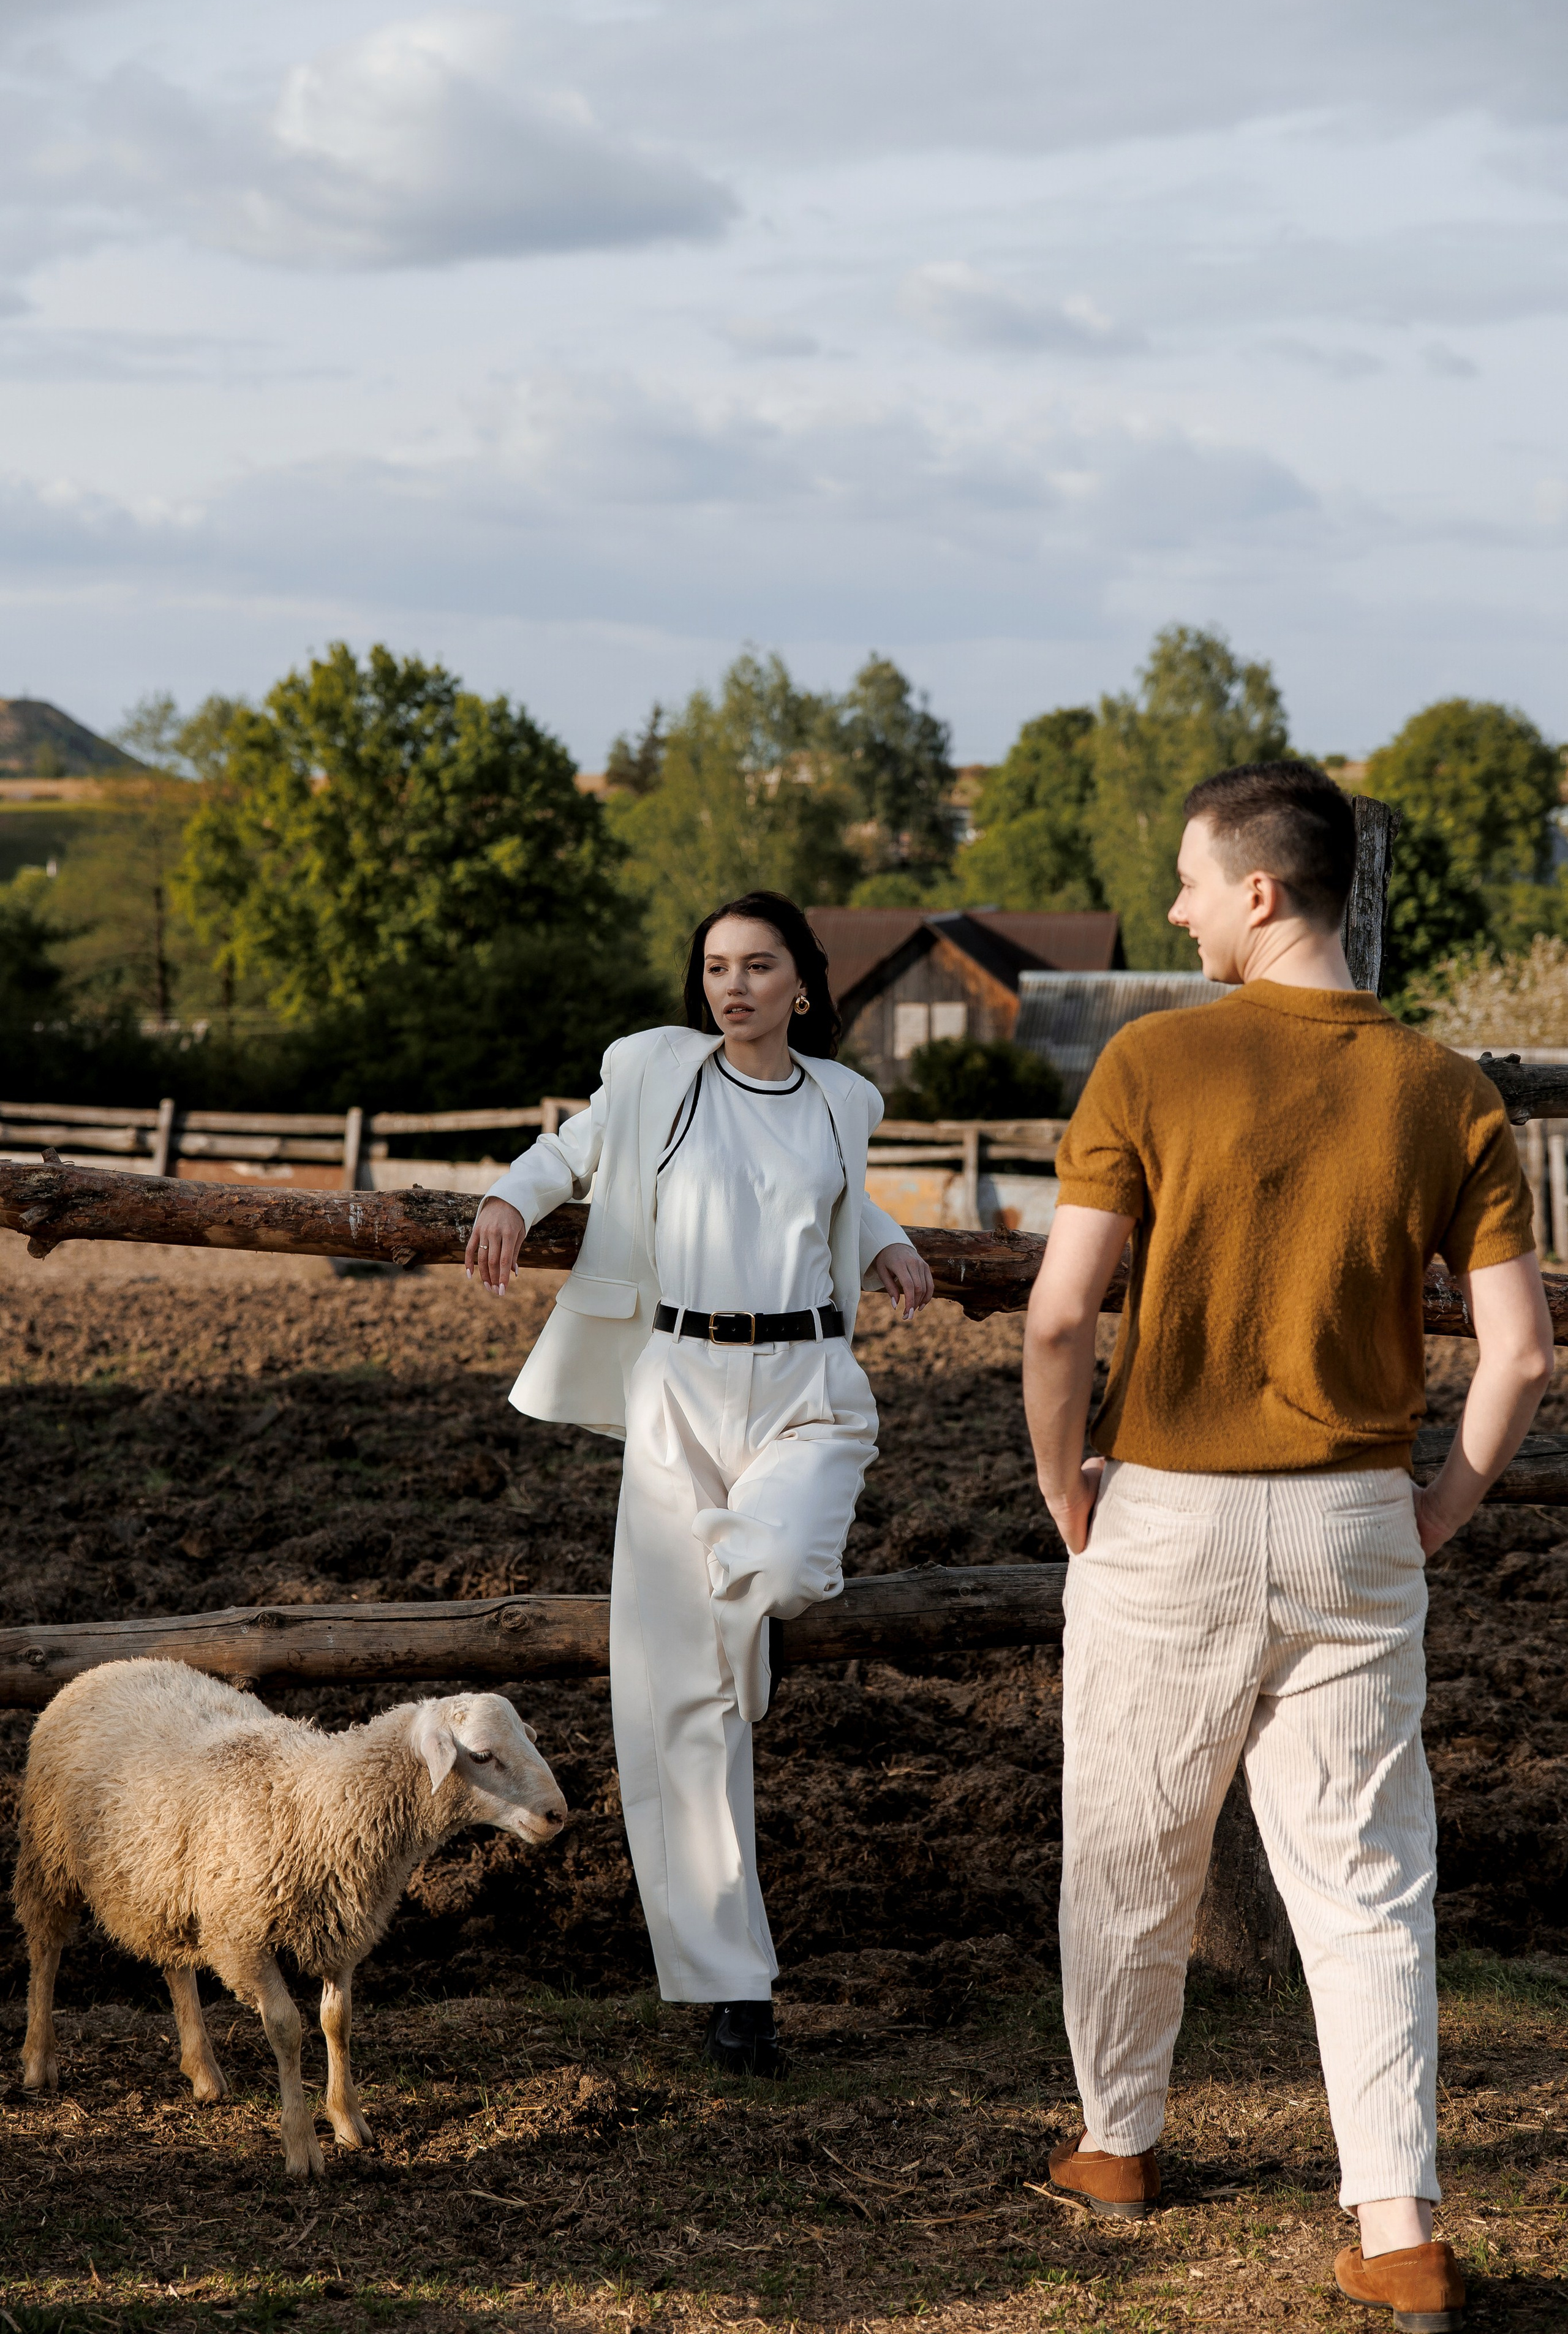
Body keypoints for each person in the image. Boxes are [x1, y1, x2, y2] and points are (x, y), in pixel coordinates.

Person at [1023, 763, 1551, 2332]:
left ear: (1262, 891)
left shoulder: (1151, 1062)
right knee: (1369, 1879)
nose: (1176, 905)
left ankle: (1116, 2148)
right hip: (1351, 1522)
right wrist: (1442, 1506)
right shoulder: (1447, 1089)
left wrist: (1065, 1492)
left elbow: (1059, 1316)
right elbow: (1519, 1355)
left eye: (1188, 879)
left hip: (1165, 1511)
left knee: (1129, 1842)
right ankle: (1397, 2228)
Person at [465, 890, 933, 2076]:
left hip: (806, 1383)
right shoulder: (659, 1078)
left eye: (760, 967)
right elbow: (573, 1151)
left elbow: (810, 1184)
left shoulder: (842, 1100)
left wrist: (879, 1231)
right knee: (682, 1706)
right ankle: (736, 1991)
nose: (735, 986)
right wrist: (510, 1199)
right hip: (678, 1382)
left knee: (781, 1569)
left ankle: (735, 1631)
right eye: (718, 967)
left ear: (803, 985)